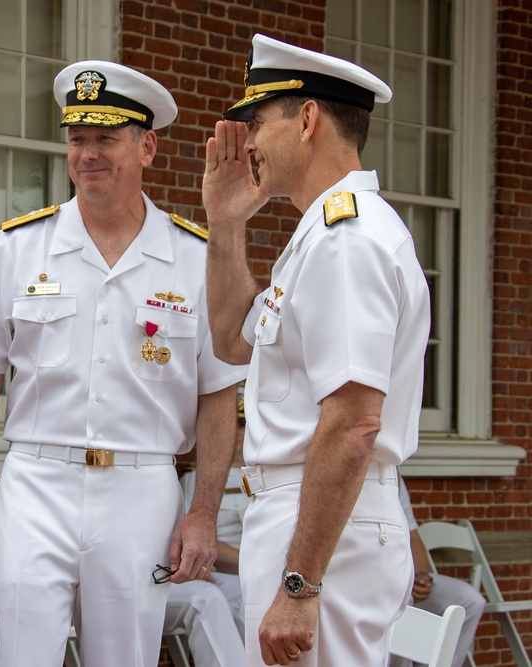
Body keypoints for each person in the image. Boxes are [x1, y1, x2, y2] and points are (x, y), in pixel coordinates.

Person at [0, 60, 247, 667]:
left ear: (146, 146)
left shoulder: (194, 258)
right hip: (36, 478)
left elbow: (218, 396)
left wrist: (204, 512)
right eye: (78, 138)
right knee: (23, 655)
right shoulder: (21, 245)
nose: (88, 153)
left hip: (142, 487)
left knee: (126, 657)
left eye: (106, 138)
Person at [201, 34, 431, 666]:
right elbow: (231, 339)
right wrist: (225, 224)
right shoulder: (320, 238)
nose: (247, 142)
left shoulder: (344, 240)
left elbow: (354, 421)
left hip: (327, 532)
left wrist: (300, 583)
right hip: (312, 521)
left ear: (307, 119)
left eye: (258, 121)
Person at [164, 405, 249, 666]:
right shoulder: (199, 479)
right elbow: (197, 538)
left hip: (250, 572)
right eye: (232, 425)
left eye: (243, 426)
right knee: (236, 595)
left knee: (256, 595)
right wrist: (252, 564)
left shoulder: (261, 478)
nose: (237, 433)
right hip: (218, 570)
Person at [389, 479, 486, 667]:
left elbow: (413, 537)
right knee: (403, 602)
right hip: (381, 581)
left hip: (408, 576)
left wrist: (423, 576)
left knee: (470, 601)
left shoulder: (395, 477)